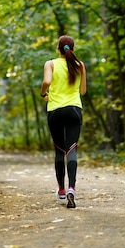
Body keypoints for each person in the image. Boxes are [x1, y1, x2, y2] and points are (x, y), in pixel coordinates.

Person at [40, 35, 87, 209]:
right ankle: (72, 189)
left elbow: (46, 81)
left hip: (55, 111)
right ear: (72, 49)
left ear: (57, 49)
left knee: (59, 149)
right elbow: (82, 91)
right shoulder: (79, 65)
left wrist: (43, 93)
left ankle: (61, 190)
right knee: (71, 149)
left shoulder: (50, 64)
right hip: (74, 110)